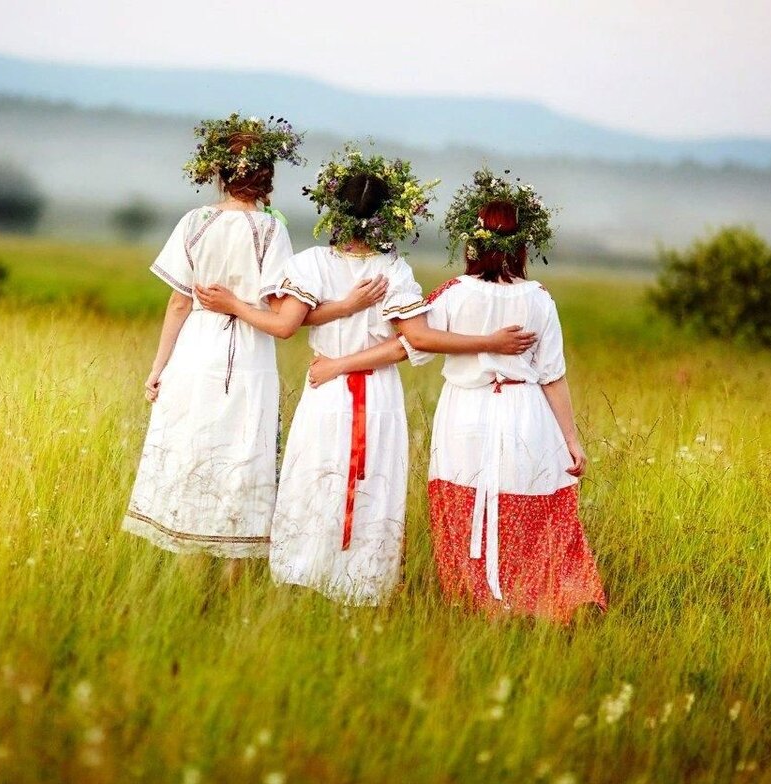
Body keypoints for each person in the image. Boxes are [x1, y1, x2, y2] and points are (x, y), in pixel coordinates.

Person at [195, 149, 537, 605]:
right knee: (370, 485)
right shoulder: (391, 269)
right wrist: (489, 341)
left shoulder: (311, 263)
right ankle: (360, 588)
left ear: (335, 211)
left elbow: (285, 324)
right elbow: (412, 341)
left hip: (325, 388)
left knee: (316, 478)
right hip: (376, 394)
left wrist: (329, 359)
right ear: (387, 218)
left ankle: (304, 580)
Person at [308, 168, 606, 621]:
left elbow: (412, 343)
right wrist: (571, 439)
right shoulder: (540, 298)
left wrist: (337, 361)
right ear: (523, 245)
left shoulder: (452, 294)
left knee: (465, 506)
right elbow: (553, 376)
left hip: (467, 413)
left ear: (472, 243)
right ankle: (543, 603)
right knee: (529, 508)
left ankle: (480, 605)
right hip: (527, 414)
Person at [124, 116, 387, 562]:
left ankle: (187, 564)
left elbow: (178, 303)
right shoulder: (271, 230)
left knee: (192, 450)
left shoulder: (194, 222)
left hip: (194, 350)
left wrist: (158, 368)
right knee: (243, 454)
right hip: (248, 354)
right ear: (265, 176)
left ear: (221, 173)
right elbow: (283, 315)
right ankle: (232, 573)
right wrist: (344, 307)